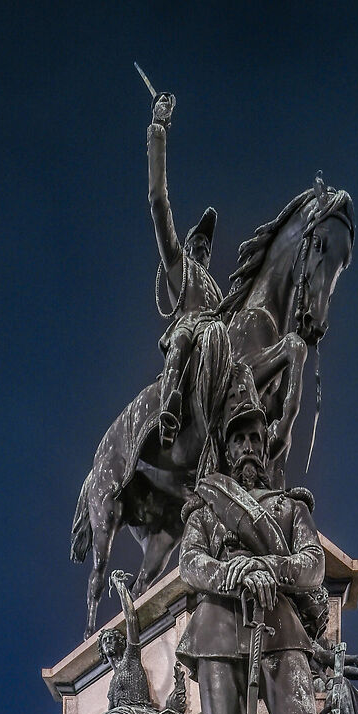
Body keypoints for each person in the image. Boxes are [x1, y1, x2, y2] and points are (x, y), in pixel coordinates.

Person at [175, 373, 343, 714]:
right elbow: (190, 563)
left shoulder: (291, 509)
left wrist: (266, 566)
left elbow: (312, 564)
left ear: (266, 451)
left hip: (282, 629)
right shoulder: (206, 511)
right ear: (227, 451)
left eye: (255, 438)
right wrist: (233, 571)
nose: (249, 446)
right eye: (239, 439)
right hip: (216, 631)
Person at [147, 89, 232, 455]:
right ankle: (170, 409)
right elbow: (158, 201)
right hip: (190, 330)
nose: (202, 248)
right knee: (183, 336)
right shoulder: (178, 267)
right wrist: (159, 128)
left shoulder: (219, 290)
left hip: (218, 342)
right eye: (197, 241)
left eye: (207, 246)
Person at [54, 572, 172, 714]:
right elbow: (109, 711)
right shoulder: (111, 683)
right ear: (102, 649)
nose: (108, 641)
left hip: (138, 713)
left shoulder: (131, 659)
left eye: (111, 638)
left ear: (119, 642)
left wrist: (120, 587)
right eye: (105, 640)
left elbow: (132, 621)